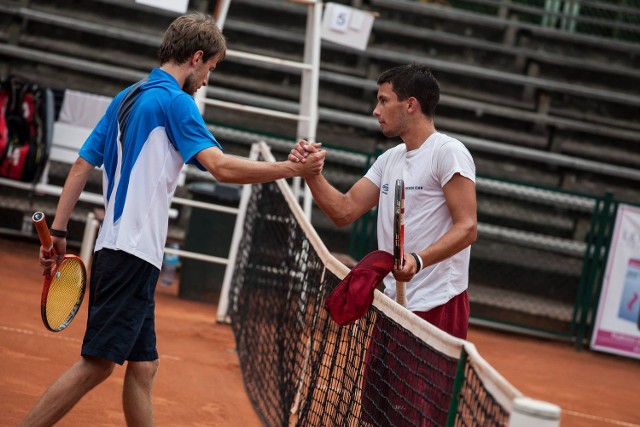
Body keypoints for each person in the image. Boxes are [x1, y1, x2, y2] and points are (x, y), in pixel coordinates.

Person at [21, 12, 325, 427]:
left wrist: (58, 230)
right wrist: (293, 171)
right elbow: (221, 168)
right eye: (210, 69)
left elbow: (79, 167)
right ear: (196, 58)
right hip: (132, 254)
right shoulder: (176, 102)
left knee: (144, 367)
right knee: (97, 365)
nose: (207, 80)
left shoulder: (127, 96)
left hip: (123, 251)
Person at [290, 64, 477, 425]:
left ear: (410, 105)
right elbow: (344, 211)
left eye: (383, 100)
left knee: (416, 417)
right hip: (393, 305)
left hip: (436, 306)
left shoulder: (448, 152)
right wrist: (311, 175)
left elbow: (467, 227)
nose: (376, 111)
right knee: (377, 411)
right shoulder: (389, 159)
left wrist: (418, 261)